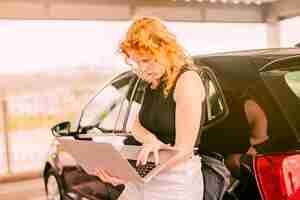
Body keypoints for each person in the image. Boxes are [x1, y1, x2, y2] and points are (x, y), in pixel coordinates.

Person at [93, 16, 206, 200]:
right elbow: (137, 124)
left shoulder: (187, 81)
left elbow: (184, 150)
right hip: (148, 172)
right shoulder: (154, 81)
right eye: (137, 62)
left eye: (146, 60)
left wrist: (131, 176)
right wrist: (150, 140)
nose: (142, 69)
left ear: (166, 50)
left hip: (176, 181)